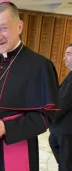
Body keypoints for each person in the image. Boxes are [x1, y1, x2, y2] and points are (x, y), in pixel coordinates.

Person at [0, 2, 60, 171]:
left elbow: (45, 117)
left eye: (4, 28)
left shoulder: (40, 66)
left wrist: (6, 128)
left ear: (19, 26)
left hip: (17, 146)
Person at [49, 43, 72, 171]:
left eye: (68, 54)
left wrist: (47, 118)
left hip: (67, 131)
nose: (64, 58)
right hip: (61, 129)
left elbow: (64, 103)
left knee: (66, 165)